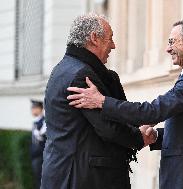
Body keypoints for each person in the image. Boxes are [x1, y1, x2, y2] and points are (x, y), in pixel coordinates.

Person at [67, 19, 183, 189]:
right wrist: (156, 136)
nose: (167, 48)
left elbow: (152, 111)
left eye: (172, 41)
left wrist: (102, 102)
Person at [41, 13, 155, 189]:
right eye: (110, 38)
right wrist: (139, 138)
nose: (113, 45)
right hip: (83, 178)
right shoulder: (82, 75)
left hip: (64, 173)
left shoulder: (63, 68)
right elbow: (108, 127)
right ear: (94, 38)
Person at [30, 99, 46, 189]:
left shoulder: (44, 122)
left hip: (42, 156)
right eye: (32, 108)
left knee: (42, 180)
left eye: (34, 108)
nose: (32, 110)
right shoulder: (35, 122)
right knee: (37, 180)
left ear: (40, 109)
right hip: (35, 156)